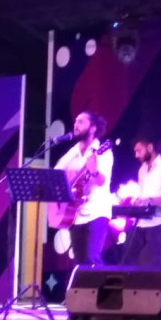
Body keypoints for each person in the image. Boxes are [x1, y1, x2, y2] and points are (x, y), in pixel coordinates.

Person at [53, 111, 113, 266]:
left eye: (81, 122)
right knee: (80, 263)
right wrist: (64, 188)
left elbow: (101, 182)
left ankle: (102, 283)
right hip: (75, 213)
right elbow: (56, 174)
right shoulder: (73, 151)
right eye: (75, 122)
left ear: (93, 128)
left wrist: (94, 171)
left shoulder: (103, 152)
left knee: (93, 258)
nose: (75, 125)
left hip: (97, 212)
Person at [122, 138, 161, 267]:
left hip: (158, 223)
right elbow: (144, 194)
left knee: (155, 262)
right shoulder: (142, 170)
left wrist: (150, 200)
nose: (136, 155)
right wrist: (139, 200)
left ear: (150, 148)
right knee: (127, 259)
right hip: (141, 221)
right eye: (135, 152)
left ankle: (158, 281)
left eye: (139, 151)